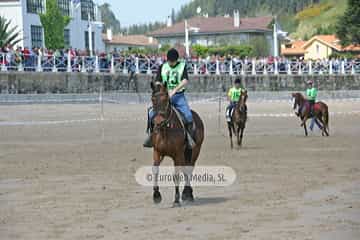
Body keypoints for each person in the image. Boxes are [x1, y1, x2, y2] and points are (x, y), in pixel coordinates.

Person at [143, 48, 195, 148]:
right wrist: (161, 89)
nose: (171, 63)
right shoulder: (163, 67)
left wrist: (174, 90)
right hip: (164, 97)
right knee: (151, 114)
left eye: (173, 61)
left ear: (177, 60)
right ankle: (151, 136)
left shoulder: (182, 66)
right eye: (169, 61)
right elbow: (158, 80)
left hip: (178, 96)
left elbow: (185, 80)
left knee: (188, 116)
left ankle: (188, 138)